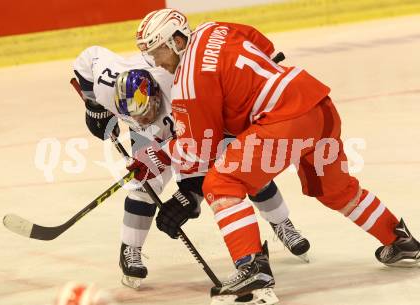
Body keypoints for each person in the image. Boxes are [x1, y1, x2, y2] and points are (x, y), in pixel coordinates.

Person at [132, 8, 420, 304]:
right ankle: (400, 241)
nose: (156, 61)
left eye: (158, 52)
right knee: (337, 189)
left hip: (285, 120)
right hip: (317, 104)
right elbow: (263, 44)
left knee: (221, 182)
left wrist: (158, 155)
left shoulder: (188, 82)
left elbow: (200, 150)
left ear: (177, 41)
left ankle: (252, 268)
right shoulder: (213, 28)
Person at [72, 46, 311, 289]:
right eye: (133, 117)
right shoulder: (108, 85)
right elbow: (87, 57)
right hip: (155, 137)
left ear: (156, 96)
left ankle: (283, 224)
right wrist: (93, 106)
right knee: (144, 186)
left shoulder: (182, 94)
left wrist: (189, 197)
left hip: (192, 130)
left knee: (244, 170)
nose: (140, 121)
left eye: (146, 113)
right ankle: (129, 249)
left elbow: (204, 154)